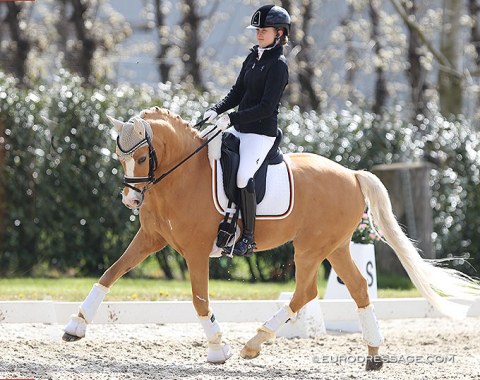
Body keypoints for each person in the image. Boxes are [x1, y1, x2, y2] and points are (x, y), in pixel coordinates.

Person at [204, 4, 291, 257]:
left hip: (260, 134)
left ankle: (249, 238)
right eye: (257, 30)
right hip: (241, 127)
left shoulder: (279, 65)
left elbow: (266, 107)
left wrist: (233, 118)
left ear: (279, 33)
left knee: (243, 176)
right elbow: (237, 92)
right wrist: (216, 110)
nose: (259, 34)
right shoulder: (253, 57)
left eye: (264, 30)